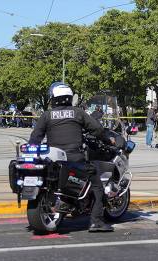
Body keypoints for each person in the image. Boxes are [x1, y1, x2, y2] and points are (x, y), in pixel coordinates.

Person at [29, 82, 115, 232]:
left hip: (54, 160)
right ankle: (96, 222)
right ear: (69, 97)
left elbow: (35, 138)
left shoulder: (47, 115)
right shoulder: (78, 113)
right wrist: (108, 140)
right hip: (75, 159)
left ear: (53, 98)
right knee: (97, 185)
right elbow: (98, 130)